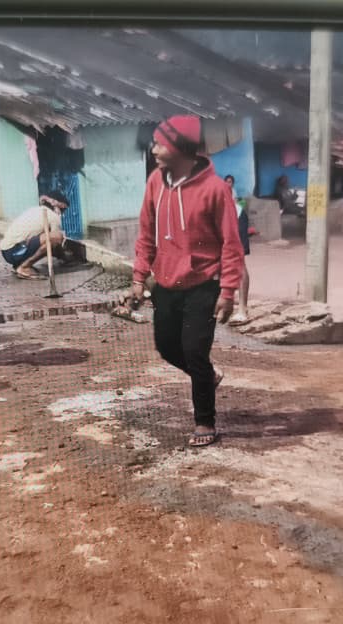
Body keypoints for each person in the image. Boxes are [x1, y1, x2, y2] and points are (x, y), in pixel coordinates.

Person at [129, 115, 244, 448]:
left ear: (180, 148)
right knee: (167, 346)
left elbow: (231, 245)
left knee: (195, 350)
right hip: (165, 283)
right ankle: (208, 375)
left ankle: (205, 421)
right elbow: (146, 233)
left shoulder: (216, 190)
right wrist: (139, 276)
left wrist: (228, 291)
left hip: (203, 284)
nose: (153, 149)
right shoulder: (155, 181)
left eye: (159, 144)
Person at [0, 190, 69, 280]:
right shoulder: (53, 216)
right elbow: (56, 243)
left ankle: (20, 264)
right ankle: (24, 267)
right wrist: (65, 258)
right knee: (57, 237)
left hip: (7, 252)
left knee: (47, 238)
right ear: (57, 207)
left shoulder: (35, 210)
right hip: (14, 252)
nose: (63, 213)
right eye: (63, 209)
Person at [223, 174, 252, 325]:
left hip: (236, 217)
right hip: (222, 220)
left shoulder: (232, 194)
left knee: (239, 262)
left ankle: (242, 309)